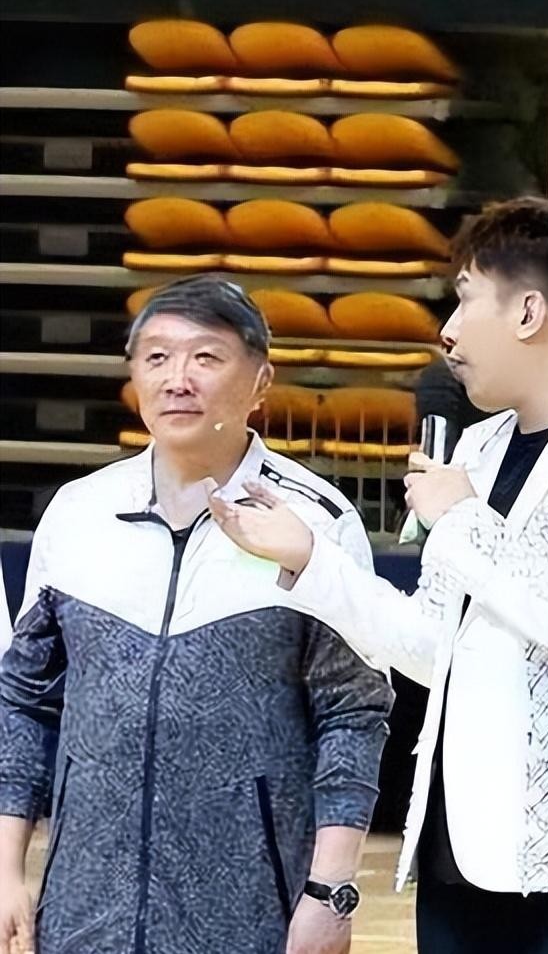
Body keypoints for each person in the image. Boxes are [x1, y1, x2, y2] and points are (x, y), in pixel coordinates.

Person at [209, 198, 548, 954]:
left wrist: (466, 521)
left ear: (529, 312)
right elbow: (432, 646)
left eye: (466, 299)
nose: (447, 330)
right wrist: (310, 558)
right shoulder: (477, 450)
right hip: (462, 842)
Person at [0, 275, 394, 954]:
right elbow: (25, 701)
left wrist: (331, 890)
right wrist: (7, 869)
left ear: (261, 382)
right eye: (157, 357)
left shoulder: (315, 522)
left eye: (206, 357)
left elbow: (353, 716)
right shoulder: (78, 513)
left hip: (252, 912)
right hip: (84, 912)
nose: (177, 379)